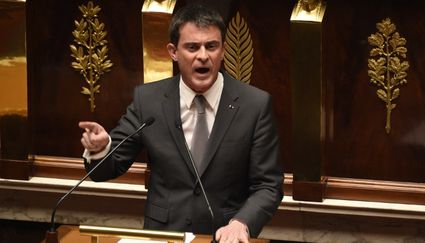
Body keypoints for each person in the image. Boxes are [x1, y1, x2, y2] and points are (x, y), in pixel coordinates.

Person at [79, 4, 283, 243]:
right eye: (192, 47)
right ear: (173, 52)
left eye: (211, 46)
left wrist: (242, 223)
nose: (203, 56)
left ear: (224, 50)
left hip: (223, 238)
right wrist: (100, 149)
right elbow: (106, 170)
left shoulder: (254, 105)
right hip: (163, 236)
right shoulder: (149, 101)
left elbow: (268, 185)